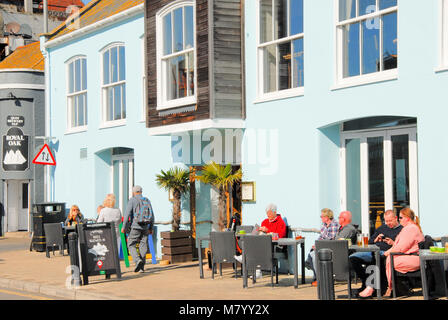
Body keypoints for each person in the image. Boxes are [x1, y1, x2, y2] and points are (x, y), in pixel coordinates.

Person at [359, 208, 424, 298]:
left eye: (401, 218)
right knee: (376, 258)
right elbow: (402, 246)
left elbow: (401, 248)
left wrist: (386, 253)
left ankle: (375, 288)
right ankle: (375, 287)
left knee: (382, 259)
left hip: (412, 258)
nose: (399, 220)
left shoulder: (410, 229)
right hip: (407, 256)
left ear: (407, 218)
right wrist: (389, 246)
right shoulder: (408, 228)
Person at [350, 209, 403, 297]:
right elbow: (370, 242)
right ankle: (366, 281)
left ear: (396, 218)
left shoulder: (402, 230)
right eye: (386, 221)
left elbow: (401, 246)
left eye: (390, 221)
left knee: (376, 257)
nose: (388, 223)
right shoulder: (381, 228)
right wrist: (376, 239)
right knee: (353, 258)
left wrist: (392, 242)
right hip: (373, 250)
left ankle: (371, 287)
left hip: (386, 253)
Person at [121, 185, 154, 273]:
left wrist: (123, 227)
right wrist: (151, 227)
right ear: (141, 191)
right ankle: (141, 267)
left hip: (136, 225)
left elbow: (127, 213)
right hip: (146, 226)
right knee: (143, 245)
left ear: (133, 192)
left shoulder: (132, 200)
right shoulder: (147, 200)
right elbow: (152, 215)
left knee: (131, 244)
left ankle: (137, 260)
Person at [305, 208, 339, 287]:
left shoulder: (334, 224)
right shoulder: (324, 225)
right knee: (311, 254)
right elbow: (321, 237)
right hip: (322, 246)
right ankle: (316, 276)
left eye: (322, 216)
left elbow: (331, 239)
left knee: (313, 256)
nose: (321, 218)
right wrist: (316, 244)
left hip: (330, 247)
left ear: (327, 216)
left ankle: (319, 279)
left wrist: (318, 245)